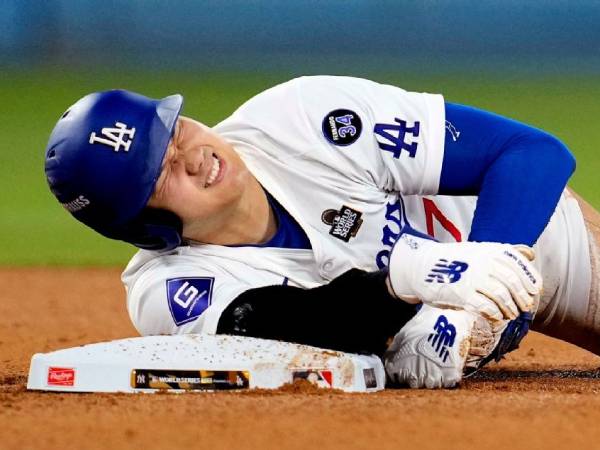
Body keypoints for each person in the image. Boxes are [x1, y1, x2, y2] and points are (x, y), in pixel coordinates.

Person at [44, 76, 598, 388]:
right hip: (416, 305)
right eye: (159, 172)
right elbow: (292, 326)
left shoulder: (304, 118)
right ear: (146, 226)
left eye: (175, 130)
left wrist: (470, 301)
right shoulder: (168, 289)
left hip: (527, 230)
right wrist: (407, 282)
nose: (192, 155)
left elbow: (531, 153)